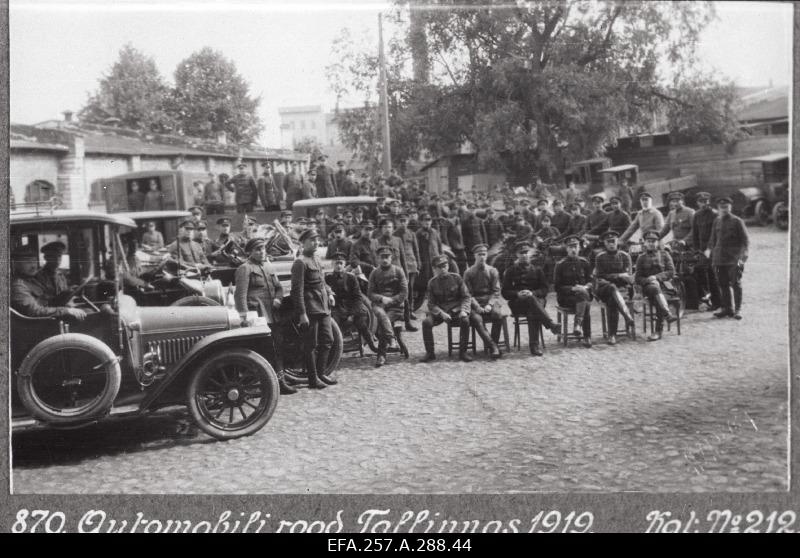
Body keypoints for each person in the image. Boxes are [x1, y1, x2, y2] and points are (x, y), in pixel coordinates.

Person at [234, 238, 296, 394]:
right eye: (257, 250)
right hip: (257, 316)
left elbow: (279, 288)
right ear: (250, 252)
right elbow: (240, 295)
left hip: (272, 314)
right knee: (264, 349)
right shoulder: (245, 268)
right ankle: (267, 382)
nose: (261, 252)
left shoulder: (268, 266)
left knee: (277, 346)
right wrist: (245, 317)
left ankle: (280, 379)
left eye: (263, 249)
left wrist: (277, 299)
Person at [290, 228, 338, 388]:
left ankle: (321, 373)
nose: (316, 243)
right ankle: (313, 379)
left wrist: (330, 293)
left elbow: (322, 281)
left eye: (317, 240)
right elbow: (297, 291)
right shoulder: (300, 263)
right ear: (302, 243)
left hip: (323, 306)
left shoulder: (316, 259)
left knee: (328, 340)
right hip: (310, 309)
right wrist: (302, 313)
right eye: (312, 240)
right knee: (310, 344)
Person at [501, 241, 561, 356]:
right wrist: (517, 294)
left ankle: (535, 346)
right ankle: (548, 327)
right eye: (521, 253)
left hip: (537, 301)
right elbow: (505, 292)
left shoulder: (537, 270)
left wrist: (532, 293)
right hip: (518, 303)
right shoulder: (510, 271)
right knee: (531, 304)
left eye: (526, 252)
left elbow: (544, 290)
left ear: (529, 254)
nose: (524, 255)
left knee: (532, 306)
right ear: (516, 255)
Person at [420, 255, 477, 363]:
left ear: (448, 266)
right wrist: (441, 313)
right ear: (434, 269)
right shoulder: (432, 283)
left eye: (444, 266)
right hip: (441, 312)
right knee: (426, 322)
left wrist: (464, 310)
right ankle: (430, 353)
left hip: (456, 310)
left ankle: (463, 352)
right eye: (439, 267)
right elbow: (431, 304)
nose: (442, 269)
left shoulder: (456, 278)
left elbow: (466, 296)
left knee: (465, 320)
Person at [11, 246, 86, 321]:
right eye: (28, 262)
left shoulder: (32, 281)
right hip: (39, 325)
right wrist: (66, 310)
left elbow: (49, 302)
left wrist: (66, 293)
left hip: (47, 319)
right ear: (16, 264)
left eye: (34, 261)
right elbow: (34, 311)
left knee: (87, 312)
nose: (33, 266)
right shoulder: (18, 286)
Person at [326, 252, 378, 353]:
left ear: (345, 264)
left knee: (361, 324)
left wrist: (352, 315)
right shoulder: (328, 278)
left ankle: (372, 346)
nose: (339, 265)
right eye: (336, 263)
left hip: (352, 308)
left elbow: (358, 298)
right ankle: (335, 352)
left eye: (341, 263)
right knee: (333, 327)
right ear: (332, 264)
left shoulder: (351, 278)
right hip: (337, 309)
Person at [707, 196, 749, 320]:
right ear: (718, 208)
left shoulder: (737, 221)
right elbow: (713, 239)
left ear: (730, 207)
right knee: (722, 283)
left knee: (735, 283)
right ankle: (727, 308)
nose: (724, 209)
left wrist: (744, 253)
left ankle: (738, 309)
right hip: (719, 259)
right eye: (721, 207)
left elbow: (745, 239)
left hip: (733, 258)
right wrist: (710, 251)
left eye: (726, 207)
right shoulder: (717, 221)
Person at [367, 246, 409, 367]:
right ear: (378, 258)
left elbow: (404, 292)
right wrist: (381, 298)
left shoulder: (398, 271)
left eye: (387, 257)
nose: (385, 259)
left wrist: (391, 300)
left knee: (381, 326)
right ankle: (391, 339)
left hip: (395, 307)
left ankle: (381, 356)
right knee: (380, 314)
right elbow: (370, 293)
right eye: (382, 257)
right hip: (379, 306)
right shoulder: (374, 273)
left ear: (391, 258)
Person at [592, 231, 635, 345]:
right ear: (604, 244)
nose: (611, 244)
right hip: (604, 290)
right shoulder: (600, 257)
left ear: (617, 242)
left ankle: (612, 335)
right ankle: (626, 315)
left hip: (622, 290)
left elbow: (628, 277)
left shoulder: (625, 256)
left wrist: (614, 277)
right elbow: (600, 276)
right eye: (608, 242)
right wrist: (619, 276)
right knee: (610, 287)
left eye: (613, 241)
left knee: (612, 300)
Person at [635, 230, 677, 341]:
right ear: (645, 243)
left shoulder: (665, 254)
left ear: (657, 243)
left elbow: (671, 271)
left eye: (653, 241)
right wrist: (649, 280)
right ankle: (666, 316)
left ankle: (658, 331)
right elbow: (637, 278)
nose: (651, 244)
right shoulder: (641, 258)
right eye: (648, 241)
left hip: (665, 287)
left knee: (658, 296)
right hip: (649, 288)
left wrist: (657, 277)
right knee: (654, 289)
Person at [462, 244, 503, 358]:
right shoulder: (468, 272)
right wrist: (477, 306)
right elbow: (467, 294)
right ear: (475, 256)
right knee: (477, 319)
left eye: (484, 254)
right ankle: (494, 347)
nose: (482, 257)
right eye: (479, 254)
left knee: (497, 315)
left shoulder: (492, 271)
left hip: (490, 299)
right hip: (475, 301)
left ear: (487, 256)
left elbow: (496, 291)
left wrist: (490, 304)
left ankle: (493, 345)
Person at [553, 236, 594, 347]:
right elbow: (557, 287)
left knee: (583, 297)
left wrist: (585, 287)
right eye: (570, 247)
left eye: (575, 246)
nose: (573, 249)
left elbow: (591, 281)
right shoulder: (560, 265)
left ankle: (578, 326)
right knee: (585, 301)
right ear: (566, 249)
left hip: (582, 295)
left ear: (579, 247)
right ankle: (587, 336)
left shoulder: (584, 262)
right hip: (566, 298)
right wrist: (573, 288)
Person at [691, 192, 720, 311]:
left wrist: (712, 249)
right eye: (701, 201)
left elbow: (716, 234)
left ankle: (718, 302)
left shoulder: (715, 215)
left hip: (714, 249)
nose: (704, 204)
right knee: (700, 270)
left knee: (713, 275)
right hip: (702, 250)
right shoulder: (697, 215)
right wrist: (697, 250)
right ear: (697, 202)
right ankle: (706, 297)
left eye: (706, 201)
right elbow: (695, 234)